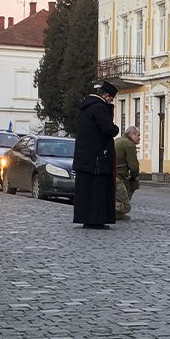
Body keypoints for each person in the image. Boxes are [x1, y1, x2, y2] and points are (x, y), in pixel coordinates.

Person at [72, 81, 120, 228]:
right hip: (98, 160)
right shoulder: (99, 108)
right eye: (111, 99)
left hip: (84, 158)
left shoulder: (85, 107)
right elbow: (108, 130)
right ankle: (96, 220)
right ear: (105, 95)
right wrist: (116, 127)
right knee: (98, 192)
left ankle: (86, 218)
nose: (111, 101)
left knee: (85, 192)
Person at [114, 126, 141, 220]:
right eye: (138, 135)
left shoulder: (118, 140)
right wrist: (134, 178)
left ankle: (118, 215)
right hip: (117, 177)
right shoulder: (129, 145)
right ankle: (109, 210)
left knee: (118, 196)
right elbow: (133, 166)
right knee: (126, 205)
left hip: (111, 174)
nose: (139, 138)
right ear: (132, 134)